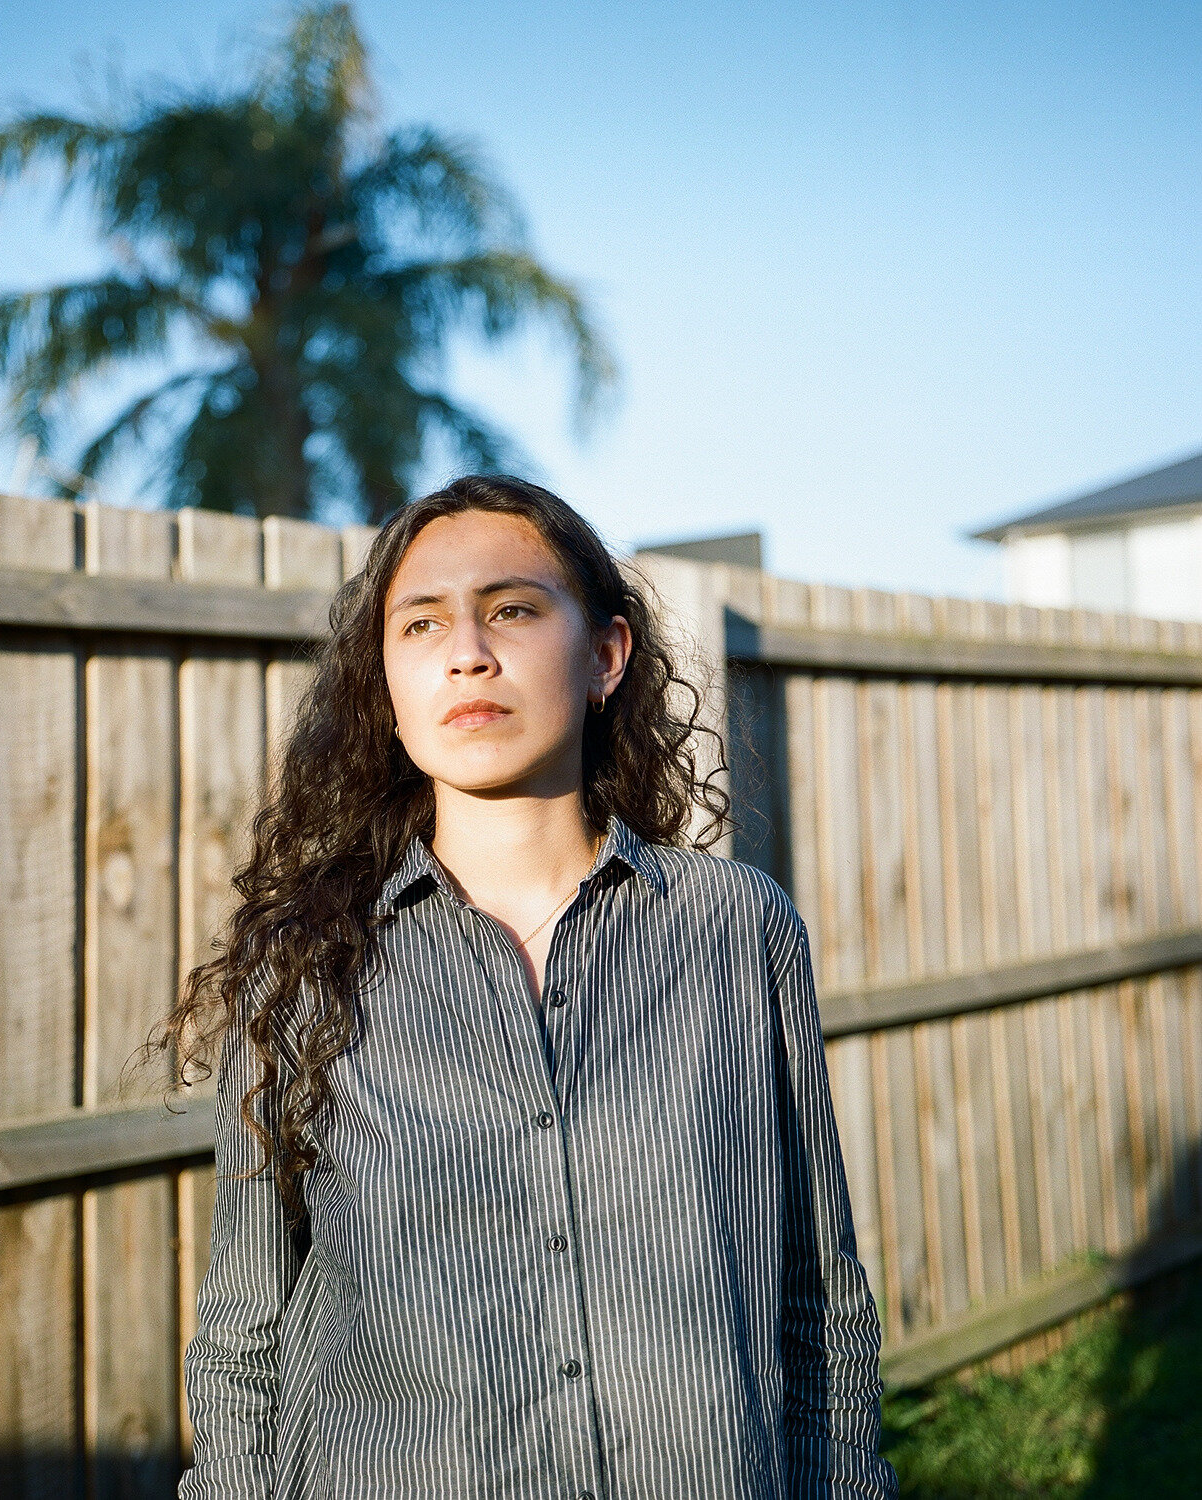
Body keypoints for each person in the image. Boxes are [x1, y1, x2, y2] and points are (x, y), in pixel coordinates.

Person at [163, 475, 898, 1499]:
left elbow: (818, 1305)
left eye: (510, 609)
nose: (468, 649)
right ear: (384, 683)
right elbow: (244, 1345)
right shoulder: (303, 972)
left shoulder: (736, 929)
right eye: (421, 624)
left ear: (603, 656)